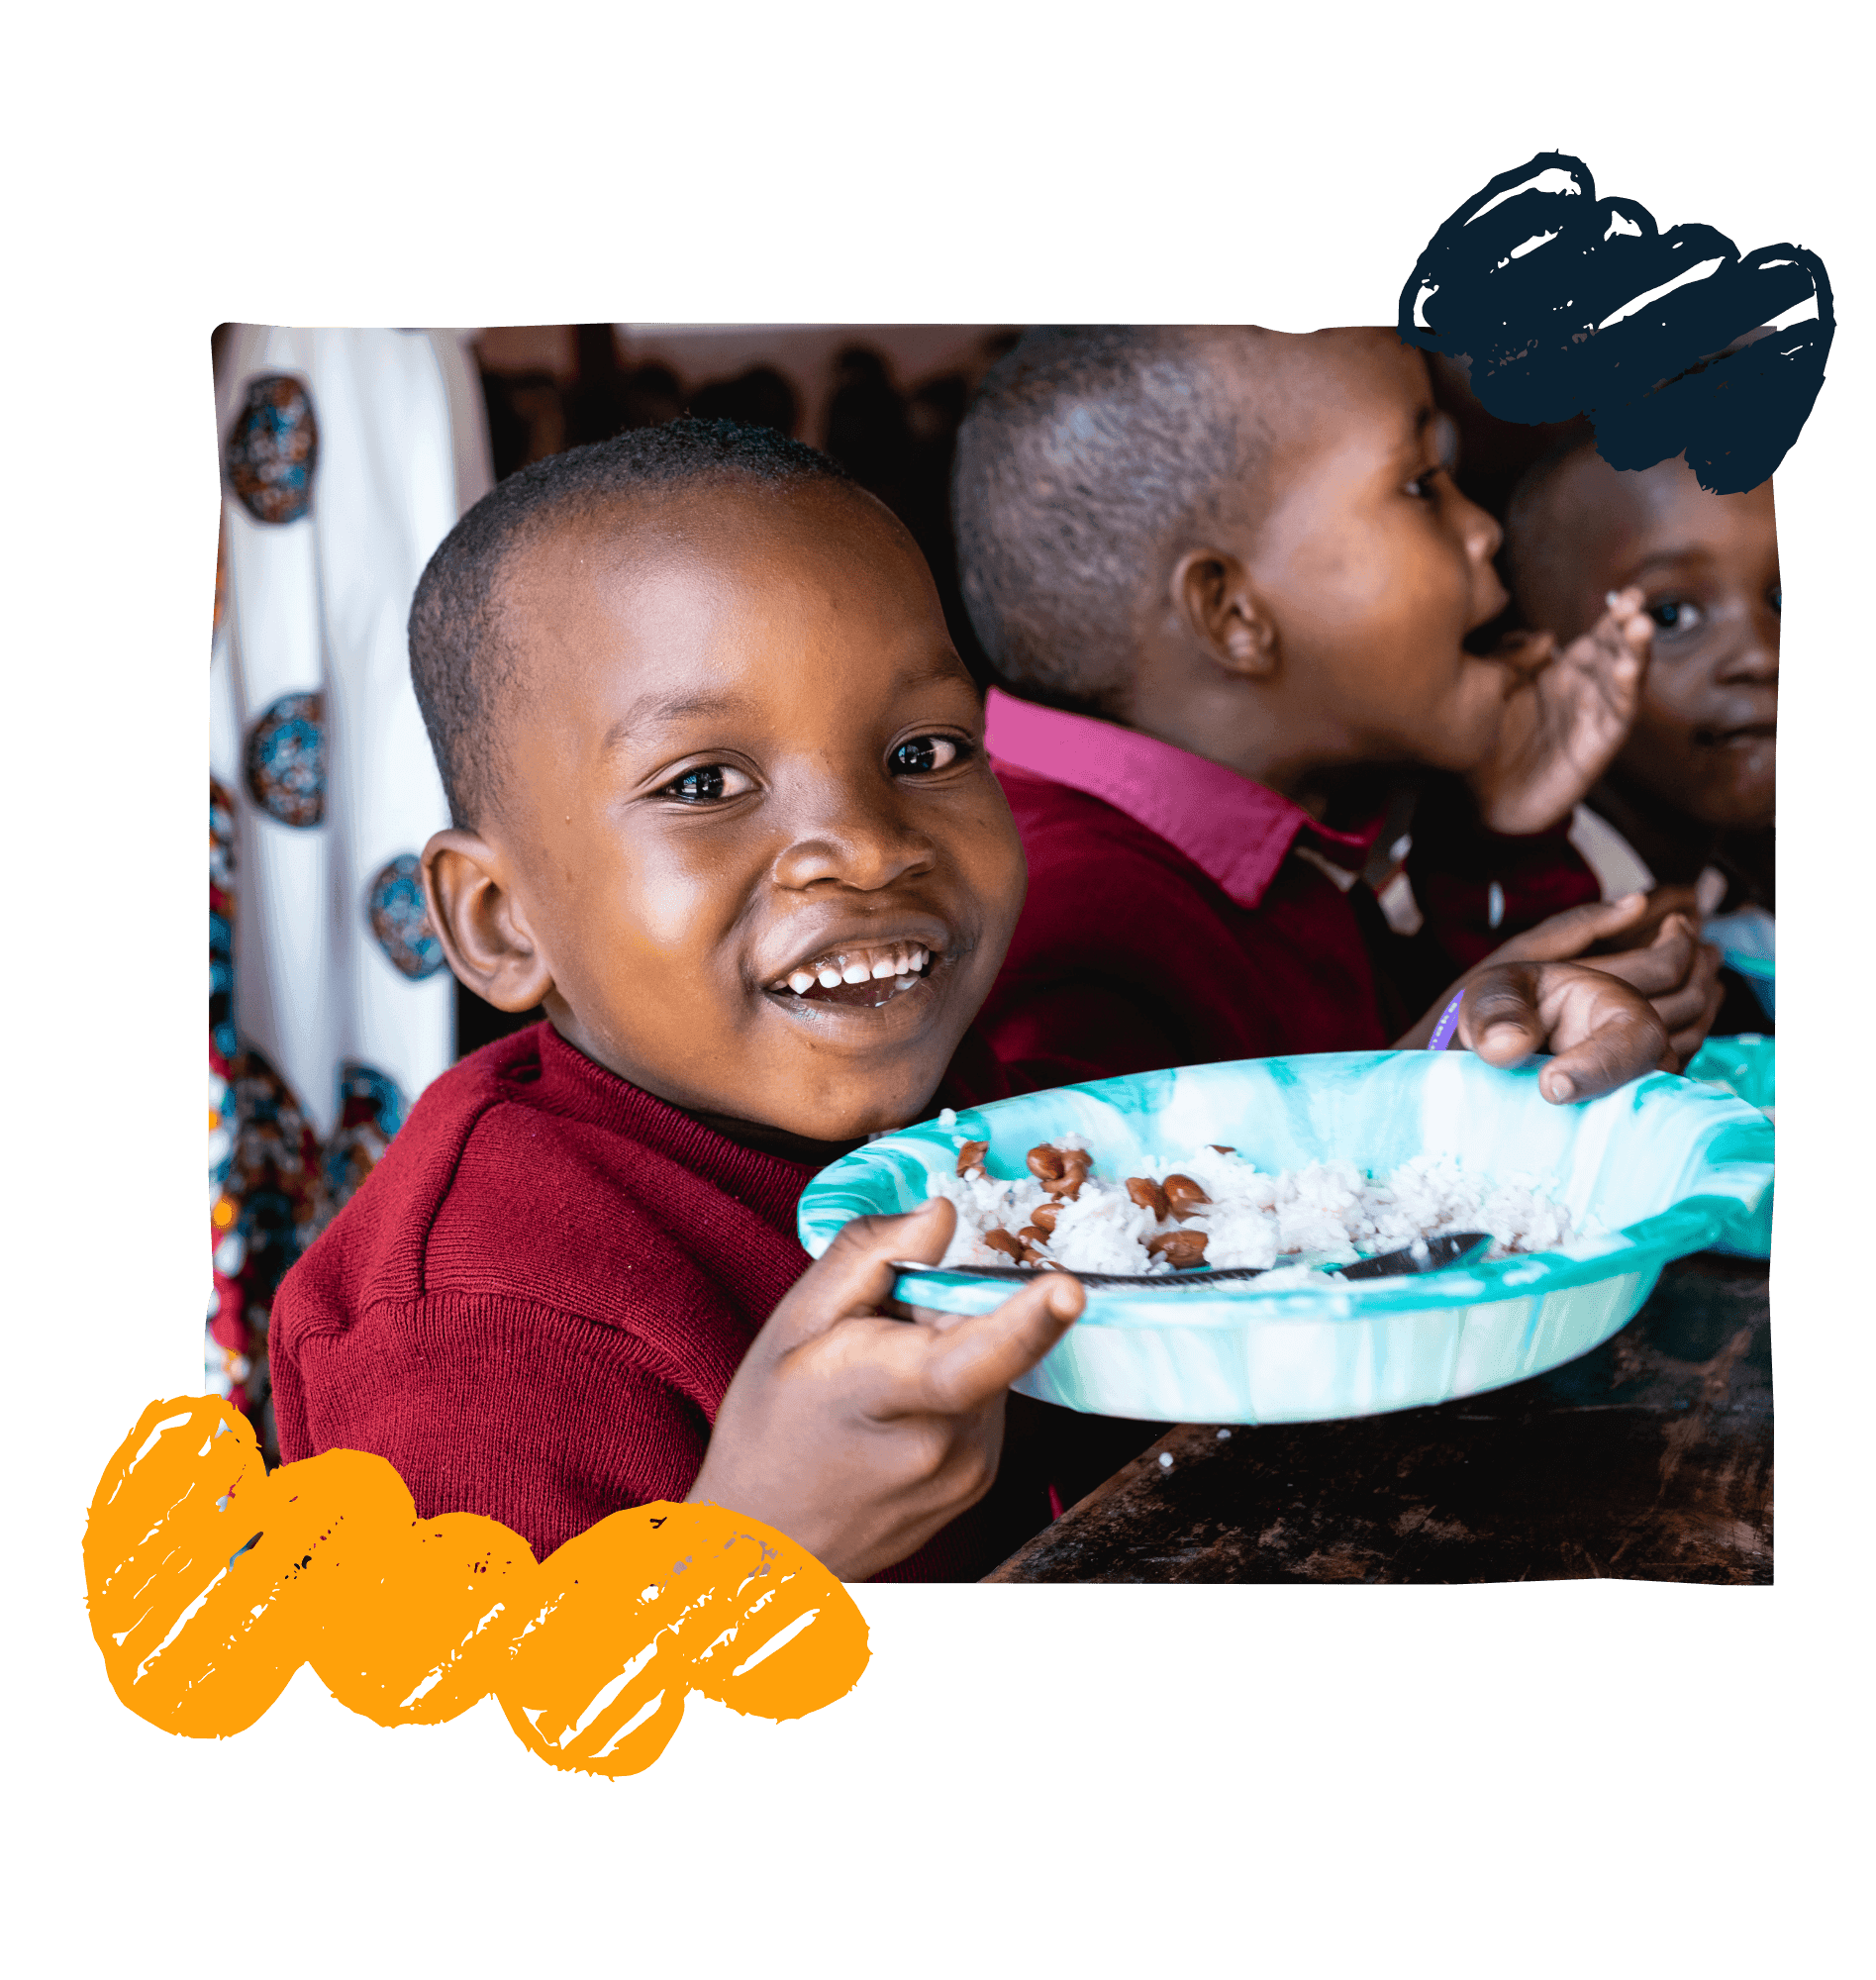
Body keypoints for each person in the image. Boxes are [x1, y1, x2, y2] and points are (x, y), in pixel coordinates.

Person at [268, 419, 1668, 1584]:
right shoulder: (478, 1322)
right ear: (502, 922)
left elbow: (1261, 1249)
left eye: (925, 749)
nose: (871, 846)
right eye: (703, 784)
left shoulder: (983, 1113)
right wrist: (757, 1554)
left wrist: (1469, 1068)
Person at [951, 324, 1724, 1085]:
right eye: (1422, 485)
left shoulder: (1287, 850)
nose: (1483, 530)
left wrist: (1504, 848)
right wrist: (1426, 1077)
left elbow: (1435, 1038)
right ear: (1234, 615)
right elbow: (1098, 1200)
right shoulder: (1064, 923)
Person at [1502, 439, 1777, 1031]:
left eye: (1784, 600)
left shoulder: (1733, 878)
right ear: (1541, 659)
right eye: (1672, 615)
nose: (1762, 656)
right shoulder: (1489, 899)